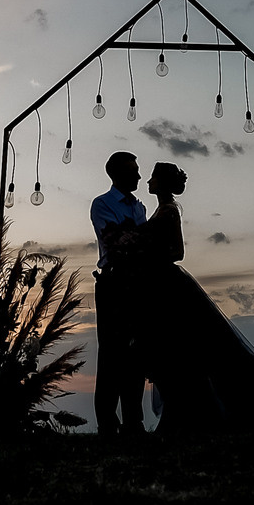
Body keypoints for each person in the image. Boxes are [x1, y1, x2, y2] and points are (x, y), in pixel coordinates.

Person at [124, 160, 254, 432]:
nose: (148, 182)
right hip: (159, 284)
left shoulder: (169, 211)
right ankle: (183, 414)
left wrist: (146, 254)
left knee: (183, 350)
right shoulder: (158, 211)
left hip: (170, 285)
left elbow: (178, 252)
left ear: (162, 183)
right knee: (171, 352)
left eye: (152, 178)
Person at [88, 151, 148, 436]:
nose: (138, 175)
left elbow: (139, 243)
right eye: (133, 170)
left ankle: (133, 421)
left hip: (138, 282)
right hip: (113, 283)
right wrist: (139, 238)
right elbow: (116, 242)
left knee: (136, 353)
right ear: (117, 174)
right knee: (112, 353)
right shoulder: (102, 204)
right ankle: (107, 423)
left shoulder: (139, 208)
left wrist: (135, 238)